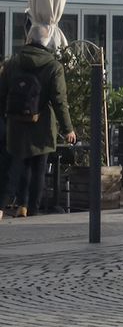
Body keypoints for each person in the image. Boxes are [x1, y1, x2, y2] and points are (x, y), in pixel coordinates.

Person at [2, 25, 74, 219]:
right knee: (38, 168)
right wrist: (68, 129)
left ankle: (21, 204)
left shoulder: (11, 64)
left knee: (20, 165)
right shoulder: (53, 66)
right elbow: (59, 100)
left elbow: (2, 95)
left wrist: (4, 120)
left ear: (29, 40)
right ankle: (32, 209)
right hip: (41, 125)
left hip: (16, 125)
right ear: (46, 43)